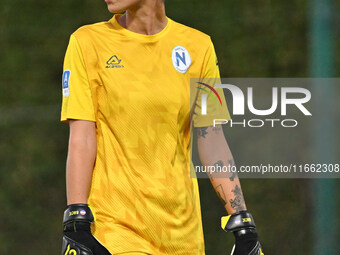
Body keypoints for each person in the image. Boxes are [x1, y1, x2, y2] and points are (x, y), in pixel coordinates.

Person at [60, 0, 264, 254]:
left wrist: (243, 223)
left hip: (184, 236)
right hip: (115, 231)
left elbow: (212, 139)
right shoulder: (86, 42)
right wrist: (75, 221)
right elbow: (82, 137)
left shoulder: (199, 47)